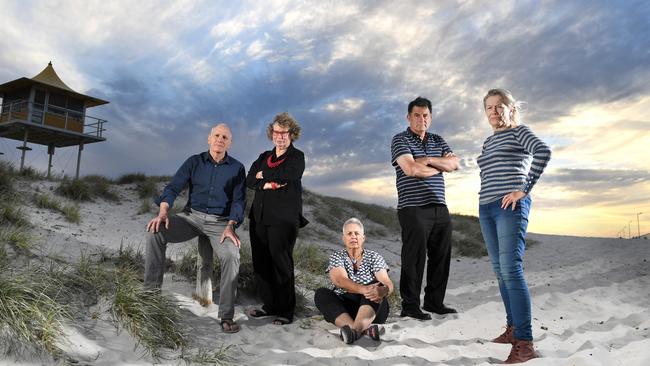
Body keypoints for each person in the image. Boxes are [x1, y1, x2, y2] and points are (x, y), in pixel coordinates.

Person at [144, 123, 246, 334]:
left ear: (230, 142)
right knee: (155, 233)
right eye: (216, 135)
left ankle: (226, 315)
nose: (220, 139)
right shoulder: (194, 162)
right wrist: (163, 211)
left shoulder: (237, 168)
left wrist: (230, 226)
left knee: (231, 255)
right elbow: (173, 187)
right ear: (209, 139)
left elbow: (239, 201)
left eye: (225, 137)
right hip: (191, 217)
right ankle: (150, 298)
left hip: (220, 223)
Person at [478, 88, 551, 363]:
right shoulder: (488, 141)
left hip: (510, 207)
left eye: (499, 106)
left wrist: (523, 189)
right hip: (486, 208)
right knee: (500, 271)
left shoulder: (520, 132)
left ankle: (525, 342)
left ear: (511, 108)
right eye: (489, 108)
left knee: (511, 270)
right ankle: (512, 329)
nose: (494, 112)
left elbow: (543, 151)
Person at [390, 96, 460, 320]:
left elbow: (454, 164)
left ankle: (434, 302)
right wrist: (439, 166)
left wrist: (427, 159)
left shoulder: (438, 139)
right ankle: (410, 306)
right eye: (417, 115)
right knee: (414, 259)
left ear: (430, 117)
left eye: (425, 115)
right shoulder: (400, 139)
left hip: (440, 206)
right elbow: (411, 169)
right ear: (409, 117)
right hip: (413, 208)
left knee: (441, 257)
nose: (421, 119)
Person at [246, 112, 308, 325]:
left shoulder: (296, 157)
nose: (279, 136)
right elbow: (249, 179)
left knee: (281, 264)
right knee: (261, 264)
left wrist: (264, 177)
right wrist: (265, 182)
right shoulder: (264, 157)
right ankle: (269, 305)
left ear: (292, 134)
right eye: (276, 132)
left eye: (284, 132)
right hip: (259, 218)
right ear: (271, 133)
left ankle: (285, 311)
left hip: (283, 219)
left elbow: (289, 175)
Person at [314, 218, 394, 344]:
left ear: (363, 238)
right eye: (349, 233)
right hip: (346, 310)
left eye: (357, 233)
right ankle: (363, 331)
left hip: (373, 308)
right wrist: (364, 289)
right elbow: (340, 281)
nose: (353, 237)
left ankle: (354, 332)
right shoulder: (337, 256)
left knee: (375, 286)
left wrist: (383, 290)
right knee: (321, 293)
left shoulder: (375, 257)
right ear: (343, 238)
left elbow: (386, 282)